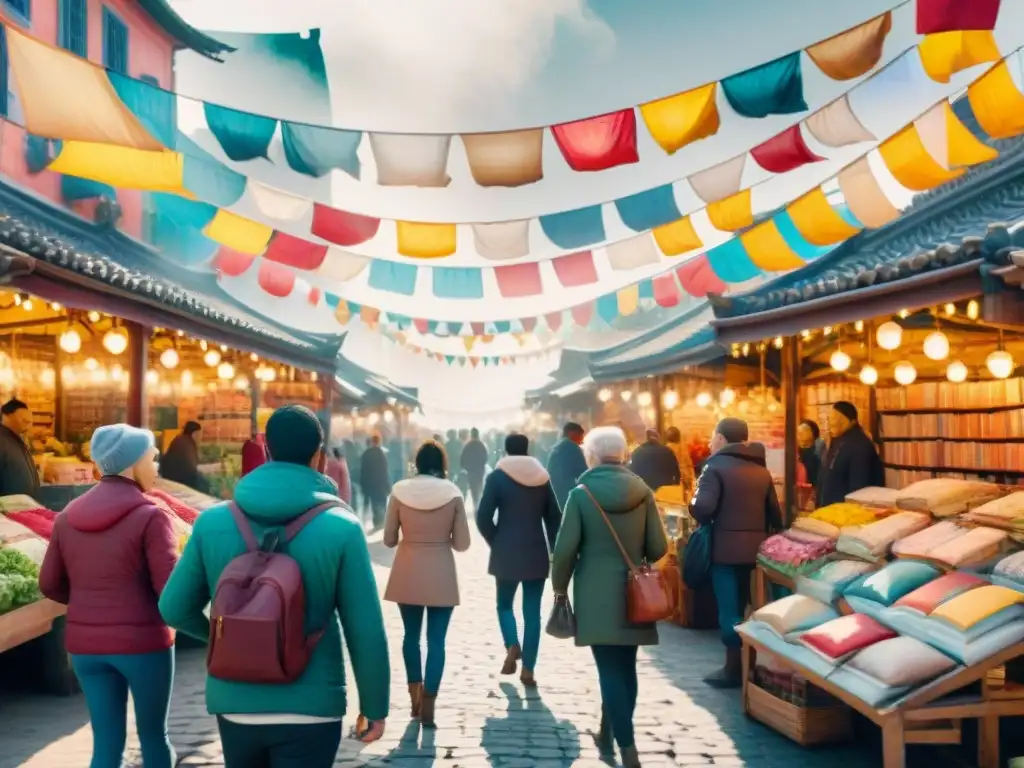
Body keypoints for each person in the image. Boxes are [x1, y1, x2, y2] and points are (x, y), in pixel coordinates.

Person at [159, 405, 390, 768]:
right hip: (312, 702)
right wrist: (374, 706)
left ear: (267, 451)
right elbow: (365, 629)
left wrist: (231, 636)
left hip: (235, 701)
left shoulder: (213, 521)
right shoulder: (341, 528)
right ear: (319, 457)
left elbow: (172, 608)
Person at [39, 424, 178, 768]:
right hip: (143, 645)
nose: (157, 466)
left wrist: (87, 599)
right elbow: (170, 591)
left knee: (106, 744)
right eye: (152, 458)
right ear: (132, 463)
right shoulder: (151, 515)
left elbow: (49, 584)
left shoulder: (67, 516)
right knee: (154, 738)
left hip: (85, 648)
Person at [551, 426, 667, 768]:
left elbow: (565, 549)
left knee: (608, 669)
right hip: (636, 596)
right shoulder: (643, 491)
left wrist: (559, 587)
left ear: (592, 455)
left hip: (595, 593)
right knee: (626, 665)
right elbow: (658, 547)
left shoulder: (581, 494)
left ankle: (627, 747)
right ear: (624, 454)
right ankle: (607, 731)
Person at [383, 440, 470, 728]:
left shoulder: (399, 491)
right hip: (441, 574)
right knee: (436, 641)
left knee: (410, 636)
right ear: (442, 465)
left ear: (416, 463)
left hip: (407, 570)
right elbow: (462, 544)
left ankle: (414, 697)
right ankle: (430, 703)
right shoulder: (453, 494)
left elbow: (389, 540)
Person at [690, 418, 782, 689]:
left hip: (724, 552)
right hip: (754, 551)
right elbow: (775, 514)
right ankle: (746, 664)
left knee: (728, 611)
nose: (709, 442)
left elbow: (702, 507)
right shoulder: (761, 470)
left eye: (712, 436)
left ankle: (735, 668)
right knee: (745, 606)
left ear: (720, 438)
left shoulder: (714, 467)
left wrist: (693, 502)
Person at [475, 433, 561, 687]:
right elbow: (554, 518)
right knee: (532, 613)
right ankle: (528, 670)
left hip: (506, 552)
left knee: (504, 605)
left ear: (505, 450)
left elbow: (482, 518)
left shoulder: (497, 477)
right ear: (528, 448)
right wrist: (555, 549)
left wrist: (497, 541)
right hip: (536, 551)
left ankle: (512, 643)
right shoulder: (542, 478)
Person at [817, 402, 884, 508]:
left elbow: (859, 487)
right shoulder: (834, 441)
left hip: (845, 512)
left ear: (848, 421)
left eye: (835, 419)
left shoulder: (859, 444)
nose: (830, 424)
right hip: (830, 509)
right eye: (830, 419)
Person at [0, 398, 40, 497]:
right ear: (6, 416)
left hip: (22, 507)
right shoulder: (2, 439)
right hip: (7, 507)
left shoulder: (17, 439)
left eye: (29, 419)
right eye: (22, 417)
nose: (27, 421)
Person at [546, 422, 587, 511]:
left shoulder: (556, 447)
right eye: (580, 435)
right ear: (571, 433)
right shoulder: (571, 447)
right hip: (566, 491)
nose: (582, 439)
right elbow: (583, 473)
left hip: (554, 490)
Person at [159, 421, 210, 494]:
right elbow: (191, 468)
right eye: (200, 434)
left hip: (169, 476)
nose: (201, 437)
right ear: (194, 434)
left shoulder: (181, 439)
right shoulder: (187, 444)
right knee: (204, 482)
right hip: (179, 480)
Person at [360, 435, 392, 529]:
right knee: (382, 503)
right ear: (378, 442)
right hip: (381, 483)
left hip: (371, 484)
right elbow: (385, 470)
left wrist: (363, 486)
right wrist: (388, 485)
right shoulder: (382, 453)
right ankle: (381, 523)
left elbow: (363, 471)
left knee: (375, 504)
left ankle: (377, 522)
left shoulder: (365, 454)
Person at [460, 427, 488, 507]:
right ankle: (478, 505)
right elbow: (485, 458)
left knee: (473, 489)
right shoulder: (481, 445)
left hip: (471, 471)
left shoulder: (467, 445)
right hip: (480, 470)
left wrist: (466, 467)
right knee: (479, 487)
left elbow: (462, 459)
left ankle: (475, 503)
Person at [663, 427, 695, 497]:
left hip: (669, 485)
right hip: (682, 485)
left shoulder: (664, 450)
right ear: (678, 437)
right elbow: (689, 467)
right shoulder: (684, 450)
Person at [797, 420, 826, 494]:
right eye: (798, 431)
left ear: (813, 434)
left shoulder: (818, 455)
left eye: (804, 430)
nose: (799, 433)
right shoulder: (795, 453)